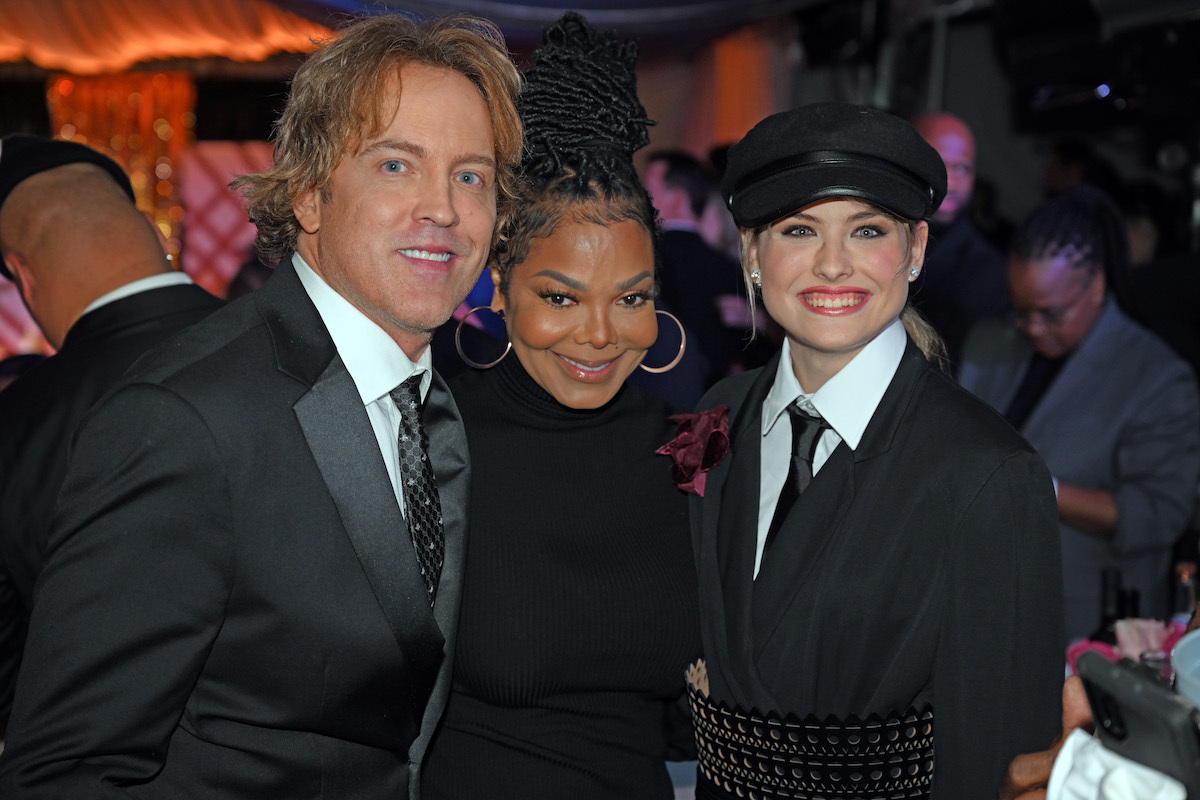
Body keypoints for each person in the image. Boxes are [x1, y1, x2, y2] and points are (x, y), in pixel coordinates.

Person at [0, 12, 521, 799]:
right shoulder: (185, 419)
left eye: (471, 175)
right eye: (395, 166)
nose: (443, 208)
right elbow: (67, 772)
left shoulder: (427, 400)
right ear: (309, 193)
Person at [678, 102, 1065, 798]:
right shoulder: (712, 417)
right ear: (751, 253)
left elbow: (1000, 757)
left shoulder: (989, 474)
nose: (833, 265)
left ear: (914, 249)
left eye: (867, 230)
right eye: (798, 230)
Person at [421, 14, 700, 798]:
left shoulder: (695, 448)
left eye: (632, 297)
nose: (602, 336)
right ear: (501, 290)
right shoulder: (435, 437)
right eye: (560, 297)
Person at [0, 136, 224, 730]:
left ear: (22, 277)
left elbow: (11, 689)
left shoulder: (15, 426)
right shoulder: (306, 346)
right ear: (152, 234)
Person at [959, 186, 1200, 642]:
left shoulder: (1157, 377)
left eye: (1051, 314)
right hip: (979, 602)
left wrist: (1041, 489)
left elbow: (1160, 513)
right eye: (1021, 312)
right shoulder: (990, 344)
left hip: (1085, 624)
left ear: (1096, 286)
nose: (1032, 328)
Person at [907, 111, 1007, 370]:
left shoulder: (986, 270)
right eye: (938, 162)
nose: (950, 180)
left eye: (962, 168)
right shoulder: (871, 238)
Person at [641, 149, 746, 387]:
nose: (637, 199)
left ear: (678, 199)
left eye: (647, 190)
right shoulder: (732, 269)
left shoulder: (644, 258)